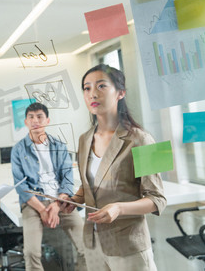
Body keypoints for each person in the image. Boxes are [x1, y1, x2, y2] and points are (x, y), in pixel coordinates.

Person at [62, 64, 166, 271]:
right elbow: (89, 186)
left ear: (120, 93)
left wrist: (119, 208)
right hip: (93, 242)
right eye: (87, 88)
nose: (93, 93)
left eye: (101, 86)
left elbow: (158, 199)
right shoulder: (84, 140)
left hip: (128, 245)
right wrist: (72, 200)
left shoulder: (143, 139)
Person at [11, 102, 87, 271]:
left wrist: (56, 205)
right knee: (31, 253)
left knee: (87, 248)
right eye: (31, 117)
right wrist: (43, 210)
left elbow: (67, 181)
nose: (35, 120)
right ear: (25, 122)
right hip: (33, 203)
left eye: (39, 116)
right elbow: (21, 186)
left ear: (47, 120)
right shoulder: (18, 150)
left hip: (61, 200)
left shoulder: (59, 146)